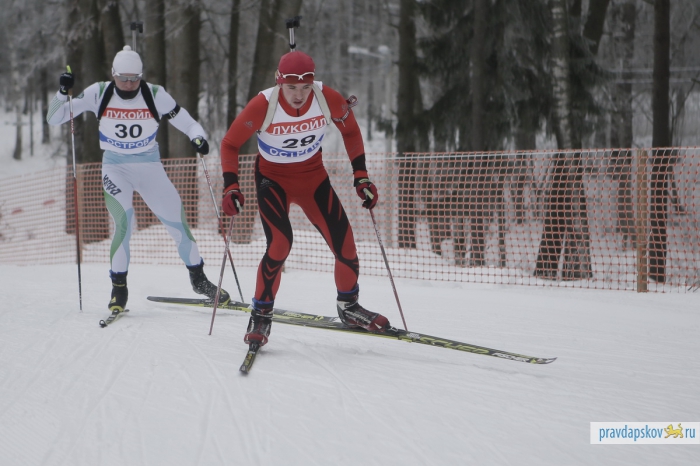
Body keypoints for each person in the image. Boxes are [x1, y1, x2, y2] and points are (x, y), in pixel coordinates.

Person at [220, 51, 391, 347]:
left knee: (346, 245)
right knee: (279, 244)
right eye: (291, 88)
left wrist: (361, 176)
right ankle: (261, 314)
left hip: (313, 178)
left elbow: (351, 132)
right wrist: (230, 186)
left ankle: (349, 306)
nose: (299, 95)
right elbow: (229, 143)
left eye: (305, 87)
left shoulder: (327, 98)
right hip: (273, 180)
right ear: (279, 82)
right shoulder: (263, 104)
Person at [47, 46, 229, 313]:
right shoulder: (99, 92)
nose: (129, 84)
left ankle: (199, 280)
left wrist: (198, 137)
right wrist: (63, 92)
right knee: (123, 225)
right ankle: (118, 289)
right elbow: (54, 118)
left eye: (135, 78)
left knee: (178, 224)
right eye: (124, 78)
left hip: (149, 167)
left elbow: (188, 122)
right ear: (113, 74)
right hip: (115, 168)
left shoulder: (155, 94)